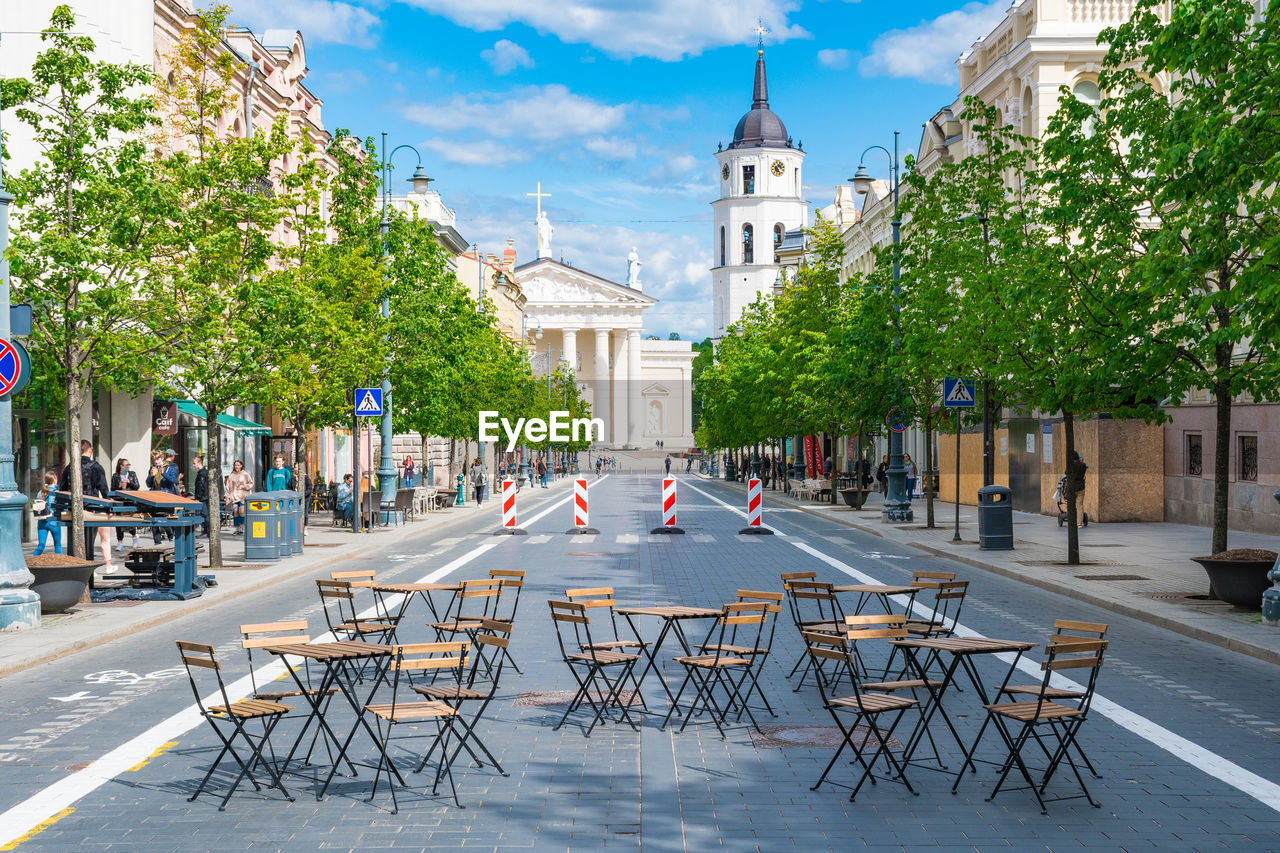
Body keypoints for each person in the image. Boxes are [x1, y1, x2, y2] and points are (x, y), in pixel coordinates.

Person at [59, 440, 111, 564]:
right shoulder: (95, 467)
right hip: (90, 510)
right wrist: (109, 507)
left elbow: (62, 489)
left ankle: (76, 564)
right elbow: (104, 489)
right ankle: (87, 567)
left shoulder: (70, 467)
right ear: (90, 450)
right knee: (88, 542)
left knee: (74, 541)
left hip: (73, 510)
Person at [111, 458, 140, 552]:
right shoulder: (115, 476)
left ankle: (134, 536)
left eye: (129, 465)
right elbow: (112, 489)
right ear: (121, 466)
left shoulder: (132, 474)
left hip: (130, 501)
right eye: (126, 465)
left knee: (130, 521)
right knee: (118, 522)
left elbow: (137, 486)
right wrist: (118, 486)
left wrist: (129, 482)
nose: (128, 466)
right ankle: (120, 542)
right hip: (120, 501)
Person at [32, 471, 61, 556]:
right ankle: (60, 565)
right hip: (54, 522)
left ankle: (32, 561)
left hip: (42, 522)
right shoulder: (57, 492)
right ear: (55, 480)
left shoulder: (40, 492)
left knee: (41, 545)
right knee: (57, 545)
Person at [224, 459, 253, 534]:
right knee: (235, 511)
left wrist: (244, 486)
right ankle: (236, 528)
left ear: (241, 466)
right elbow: (228, 487)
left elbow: (251, 483)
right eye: (235, 465)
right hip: (234, 496)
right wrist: (227, 497)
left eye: (238, 465)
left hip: (243, 496)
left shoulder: (245, 474)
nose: (236, 466)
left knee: (242, 511)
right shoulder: (231, 475)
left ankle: (241, 527)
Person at [191, 455, 210, 537]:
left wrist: (198, 498)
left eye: (194, 463)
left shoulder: (202, 473)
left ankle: (206, 531)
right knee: (205, 514)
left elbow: (201, 487)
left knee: (205, 514)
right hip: (204, 497)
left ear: (199, 463)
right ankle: (206, 531)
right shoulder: (203, 472)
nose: (193, 465)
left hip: (203, 498)